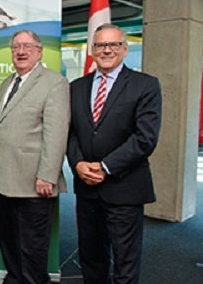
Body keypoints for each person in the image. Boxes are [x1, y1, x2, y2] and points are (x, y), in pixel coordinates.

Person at [67, 23, 162, 284]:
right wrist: (77, 164)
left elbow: (145, 138)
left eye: (113, 45)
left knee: (125, 260)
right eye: (100, 45)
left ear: (124, 49)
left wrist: (105, 166)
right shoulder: (76, 87)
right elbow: (70, 133)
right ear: (92, 50)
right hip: (87, 188)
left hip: (125, 187)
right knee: (91, 256)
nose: (106, 50)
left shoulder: (145, 85)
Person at [0, 30, 70, 284]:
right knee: (10, 240)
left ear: (39, 51)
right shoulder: (8, 83)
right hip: (4, 180)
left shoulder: (54, 82)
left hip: (34, 182)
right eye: (16, 47)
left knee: (32, 247)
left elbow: (56, 133)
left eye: (27, 46)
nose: (21, 51)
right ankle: (15, 279)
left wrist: (47, 175)